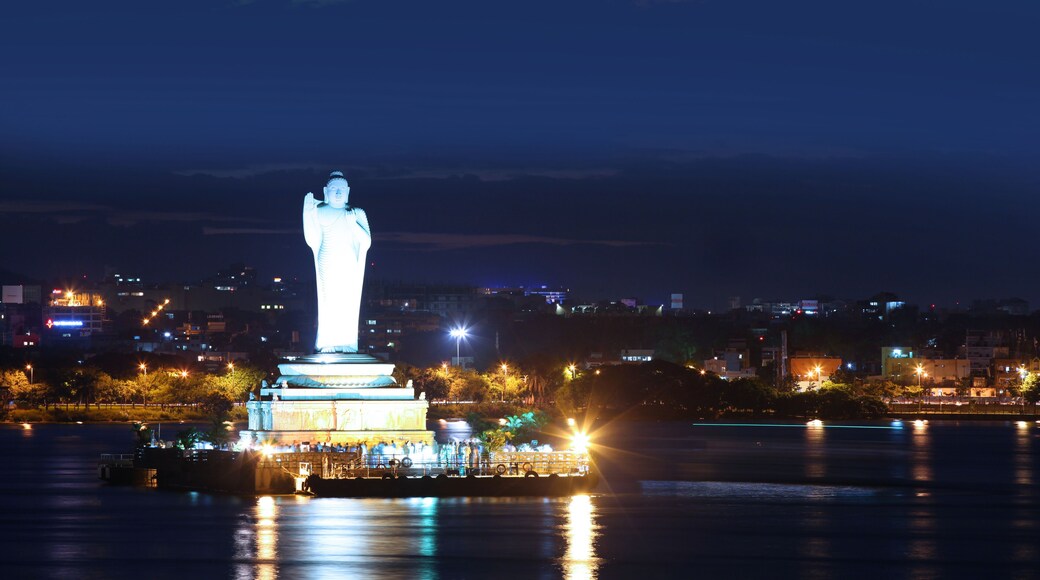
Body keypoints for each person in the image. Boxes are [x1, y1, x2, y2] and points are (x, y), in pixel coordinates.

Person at [303, 171, 372, 353]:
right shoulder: (319, 212)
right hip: (327, 258)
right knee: (329, 301)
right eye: (334, 189)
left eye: (342, 189)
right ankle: (327, 341)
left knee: (346, 302)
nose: (338, 193)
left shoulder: (356, 212)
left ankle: (347, 341)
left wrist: (353, 224)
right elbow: (311, 238)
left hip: (348, 261)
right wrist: (307, 211)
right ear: (326, 191)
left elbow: (366, 242)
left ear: (348, 191)